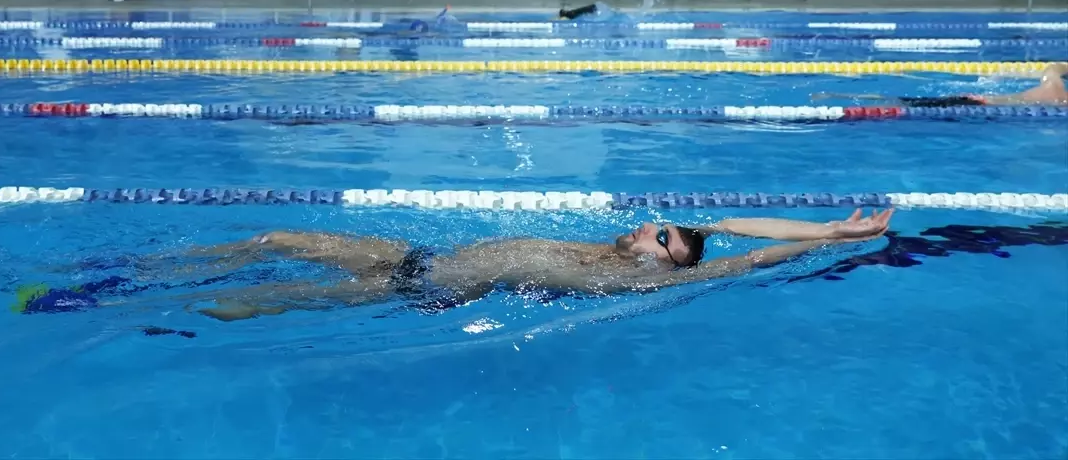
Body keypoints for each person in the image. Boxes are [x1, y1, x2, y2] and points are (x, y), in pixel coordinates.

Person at [176, 208, 894, 321]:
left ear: (668, 265)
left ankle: (151, 310)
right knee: (273, 239)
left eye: (662, 235)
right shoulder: (633, 248)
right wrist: (829, 218)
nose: (650, 226)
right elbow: (724, 223)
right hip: (418, 258)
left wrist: (830, 238)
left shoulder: (656, 277)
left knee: (267, 297)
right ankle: (159, 270)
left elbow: (756, 251)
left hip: (421, 290)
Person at [813, 62, 1068, 107]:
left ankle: (838, 92)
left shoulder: (1053, 87)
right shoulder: (1053, 92)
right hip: (973, 104)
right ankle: (838, 93)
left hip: (978, 101)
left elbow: (1055, 67)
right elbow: (1055, 67)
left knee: (904, 101)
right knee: (902, 102)